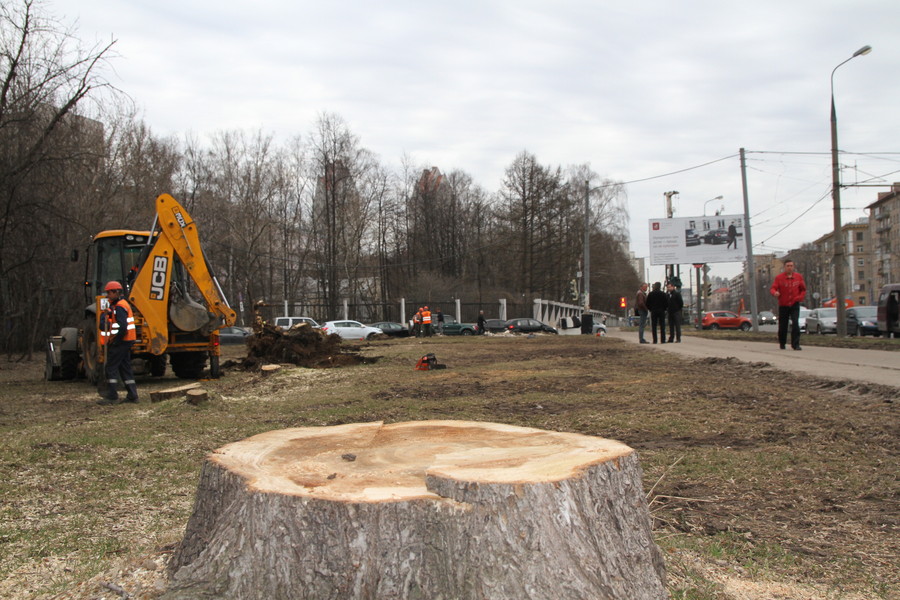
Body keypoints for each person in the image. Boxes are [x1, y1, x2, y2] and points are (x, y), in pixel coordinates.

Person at [98, 281, 138, 405]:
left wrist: (116, 341)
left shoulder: (120, 306)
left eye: (109, 293)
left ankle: (112, 396)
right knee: (124, 367)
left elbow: (122, 327)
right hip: (126, 341)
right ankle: (132, 395)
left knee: (111, 366)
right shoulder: (118, 305)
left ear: (115, 292)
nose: (107, 296)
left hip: (122, 341)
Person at [770, 259, 806, 350]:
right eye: (788, 266)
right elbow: (773, 288)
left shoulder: (798, 277)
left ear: (793, 267)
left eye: (791, 266)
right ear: (784, 267)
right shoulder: (779, 278)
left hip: (794, 304)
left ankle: (795, 344)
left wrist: (799, 297)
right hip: (783, 304)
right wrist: (775, 293)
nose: (790, 268)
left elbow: (803, 289)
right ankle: (782, 343)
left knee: (795, 323)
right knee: (783, 325)